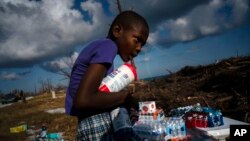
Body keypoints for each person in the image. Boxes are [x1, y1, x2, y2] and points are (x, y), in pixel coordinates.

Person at [65, 10, 149, 141]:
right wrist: (125, 97)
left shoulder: (104, 50)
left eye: (142, 44)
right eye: (137, 40)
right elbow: (83, 100)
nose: (139, 48)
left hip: (91, 121)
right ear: (117, 31)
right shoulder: (108, 47)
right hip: (95, 123)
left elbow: (97, 93)